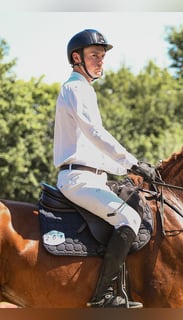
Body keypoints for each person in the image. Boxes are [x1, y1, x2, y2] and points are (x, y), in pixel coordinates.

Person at [54, 29, 155, 308]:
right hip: (78, 179)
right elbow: (96, 133)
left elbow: (94, 149)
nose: (101, 61)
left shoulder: (84, 90)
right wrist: (131, 162)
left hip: (92, 176)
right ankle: (102, 297)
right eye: (94, 55)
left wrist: (130, 171)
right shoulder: (75, 88)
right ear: (77, 58)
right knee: (130, 219)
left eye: (102, 56)